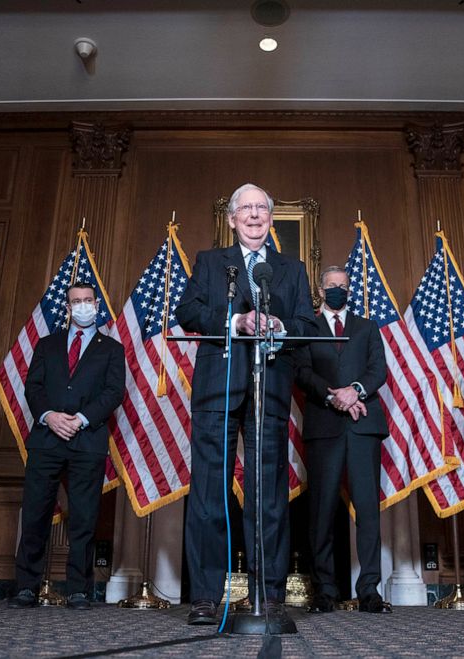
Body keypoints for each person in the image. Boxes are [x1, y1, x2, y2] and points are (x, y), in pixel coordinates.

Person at [175, 182, 315, 625]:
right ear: (232, 219)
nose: (254, 215)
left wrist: (279, 324)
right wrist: (236, 320)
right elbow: (188, 312)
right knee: (209, 495)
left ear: (270, 219)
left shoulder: (290, 270)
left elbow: (307, 323)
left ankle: (269, 595)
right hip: (218, 387)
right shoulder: (211, 263)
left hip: (270, 387)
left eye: (261, 209)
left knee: (268, 496)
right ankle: (203, 597)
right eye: (246, 209)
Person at [8, 282, 126, 611]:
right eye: (77, 301)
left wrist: (82, 419)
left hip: (88, 440)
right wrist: (49, 415)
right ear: (68, 307)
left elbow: (115, 392)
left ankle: (78, 590)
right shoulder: (47, 344)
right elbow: (33, 387)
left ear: (97, 304)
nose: (83, 305)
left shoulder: (112, 349)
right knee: (34, 514)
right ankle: (26, 588)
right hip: (47, 439)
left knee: (84, 518)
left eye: (88, 300)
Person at [294, 266, 391, 614]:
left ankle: (369, 591)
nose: (337, 290)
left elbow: (378, 369)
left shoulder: (367, 326)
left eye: (343, 286)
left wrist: (355, 392)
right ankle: (325, 591)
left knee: (367, 510)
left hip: (364, 426)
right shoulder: (308, 327)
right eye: (331, 285)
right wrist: (333, 396)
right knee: (321, 511)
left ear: (350, 290)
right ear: (321, 291)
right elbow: (302, 372)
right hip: (324, 425)